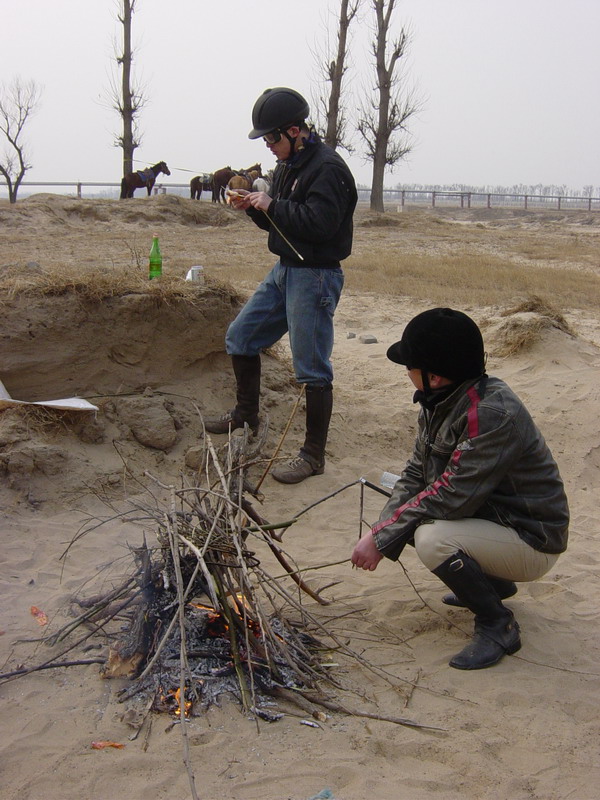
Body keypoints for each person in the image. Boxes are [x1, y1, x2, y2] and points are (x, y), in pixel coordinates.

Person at [351, 308, 569, 670]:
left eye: (410, 365)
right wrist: (381, 531)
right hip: (494, 522)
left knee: (432, 538)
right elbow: (415, 473)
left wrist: (382, 537)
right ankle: (493, 585)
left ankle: (497, 624)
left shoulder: (491, 413)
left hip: (533, 540)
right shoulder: (441, 401)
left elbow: (451, 497)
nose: (406, 371)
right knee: (410, 520)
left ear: (433, 376)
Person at [204, 87, 357, 484]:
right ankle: (246, 416)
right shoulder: (290, 164)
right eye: (266, 140)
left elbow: (320, 224)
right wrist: (254, 208)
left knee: (311, 369)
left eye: (272, 138)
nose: (269, 147)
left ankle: (312, 456)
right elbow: (284, 223)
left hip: (316, 276)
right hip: (286, 269)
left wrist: (271, 204)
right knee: (241, 336)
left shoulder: (329, 168)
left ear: (295, 130)